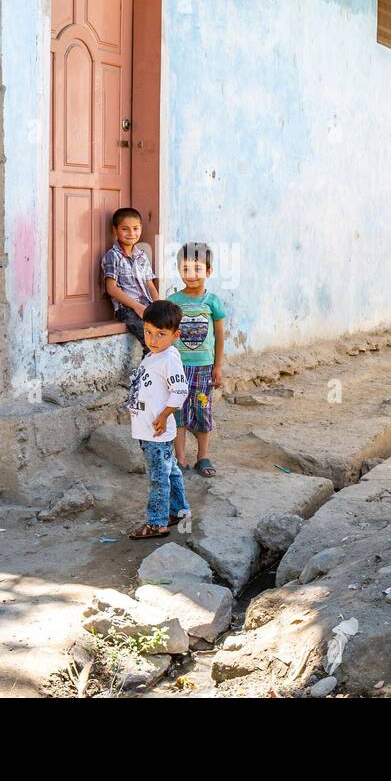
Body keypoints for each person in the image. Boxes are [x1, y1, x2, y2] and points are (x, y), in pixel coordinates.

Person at [125, 300, 190, 539]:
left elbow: (180, 391)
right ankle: (178, 511)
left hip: (155, 431)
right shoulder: (156, 355)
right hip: (150, 430)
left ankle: (156, 522)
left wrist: (163, 416)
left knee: (158, 477)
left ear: (175, 335)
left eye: (161, 334)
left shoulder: (168, 359)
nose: (153, 339)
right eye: (148, 332)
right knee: (170, 471)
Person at [167, 243, 226, 477]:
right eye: (185, 269)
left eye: (198, 269)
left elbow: (219, 335)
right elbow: (168, 335)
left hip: (203, 368)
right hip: (178, 368)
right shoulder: (173, 301)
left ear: (208, 272)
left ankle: (203, 456)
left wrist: (218, 366)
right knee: (178, 411)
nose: (191, 275)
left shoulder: (213, 301)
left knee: (203, 409)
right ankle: (180, 458)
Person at [100, 207, 159, 351]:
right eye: (125, 229)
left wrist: (159, 306)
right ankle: (146, 373)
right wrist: (137, 307)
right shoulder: (113, 256)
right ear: (115, 230)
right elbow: (111, 289)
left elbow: (150, 285)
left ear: (141, 228)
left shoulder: (142, 256)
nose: (131, 233)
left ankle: (160, 370)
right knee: (151, 342)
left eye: (135, 228)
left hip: (147, 306)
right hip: (127, 309)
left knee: (165, 335)